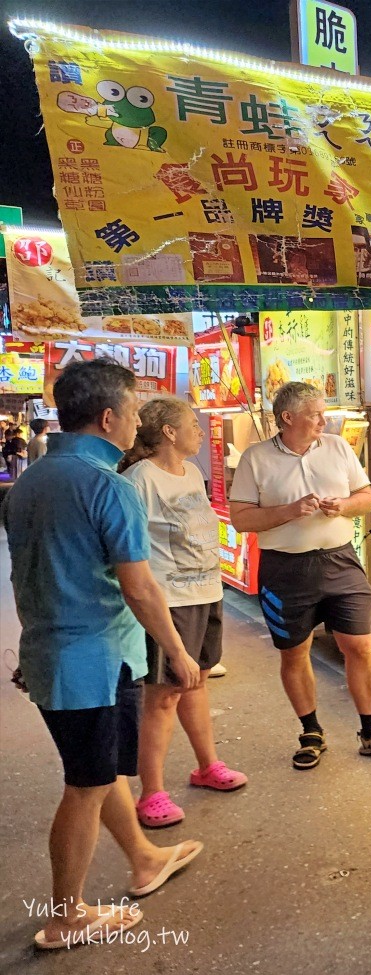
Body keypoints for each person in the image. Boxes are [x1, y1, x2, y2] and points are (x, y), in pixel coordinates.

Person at [3, 359, 203, 950]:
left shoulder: (31, 481)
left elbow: (33, 572)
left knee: (99, 770)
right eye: (136, 410)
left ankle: (142, 858)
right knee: (85, 785)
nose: (139, 420)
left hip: (55, 651)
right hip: (90, 659)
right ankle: (67, 916)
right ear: (110, 416)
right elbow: (139, 585)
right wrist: (178, 651)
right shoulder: (107, 485)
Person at [228, 381, 371, 769]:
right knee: (295, 652)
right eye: (315, 414)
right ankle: (311, 730)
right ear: (288, 417)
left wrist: (343, 504)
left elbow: (367, 497)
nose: (323, 420)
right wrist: (288, 510)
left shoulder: (338, 447)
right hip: (284, 568)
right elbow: (241, 519)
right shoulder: (256, 458)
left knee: (359, 645)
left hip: (340, 561)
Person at [122, 397, 248, 828]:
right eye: (192, 424)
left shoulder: (191, 471)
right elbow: (130, 549)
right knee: (164, 696)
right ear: (169, 432)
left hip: (205, 591)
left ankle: (207, 765)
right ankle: (152, 792)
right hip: (168, 601)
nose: (200, 430)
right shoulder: (140, 478)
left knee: (195, 685)